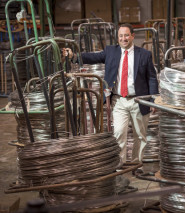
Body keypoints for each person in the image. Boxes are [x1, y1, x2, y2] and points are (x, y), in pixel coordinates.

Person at [62, 23, 159, 168]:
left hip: (139, 100)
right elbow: (92, 57)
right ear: (117, 37)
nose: (123, 38)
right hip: (119, 100)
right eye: (120, 36)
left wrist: (153, 99)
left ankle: (136, 164)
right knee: (119, 132)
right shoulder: (111, 51)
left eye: (126, 35)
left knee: (140, 135)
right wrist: (74, 56)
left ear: (132, 36)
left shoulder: (144, 54)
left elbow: (151, 77)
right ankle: (120, 165)